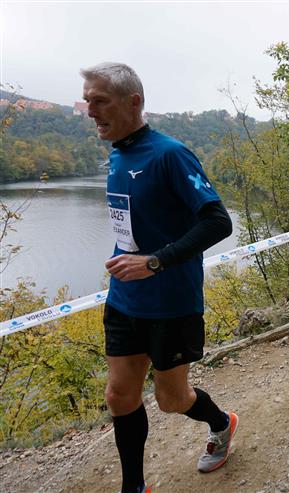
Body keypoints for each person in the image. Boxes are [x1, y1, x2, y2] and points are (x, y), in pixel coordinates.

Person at [81, 62, 238, 493]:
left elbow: (218, 222)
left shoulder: (170, 154)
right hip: (124, 300)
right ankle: (134, 487)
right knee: (119, 396)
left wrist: (154, 262)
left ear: (133, 102)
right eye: (87, 101)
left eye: (99, 101)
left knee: (171, 400)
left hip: (171, 303)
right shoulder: (117, 153)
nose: (90, 111)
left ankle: (222, 423)